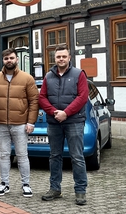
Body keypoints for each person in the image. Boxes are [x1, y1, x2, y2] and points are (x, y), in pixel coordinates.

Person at [39, 44, 89, 206]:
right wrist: (54, 112)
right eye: (58, 57)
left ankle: (80, 191)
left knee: (77, 157)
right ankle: (55, 189)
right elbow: (42, 98)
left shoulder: (78, 74)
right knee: (54, 156)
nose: (61, 59)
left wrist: (66, 113)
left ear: (69, 58)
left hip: (74, 121)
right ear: (55, 58)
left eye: (64, 56)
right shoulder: (48, 76)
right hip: (54, 122)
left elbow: (82, 97)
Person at [0, 48, 39, 198]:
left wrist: (31, 122)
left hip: (21, 124)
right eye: (6, 59)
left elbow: (34, 101)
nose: (9, 61)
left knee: (22, 155)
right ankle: (4, 184)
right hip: (0, 124)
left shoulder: (27, 78)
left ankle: (26, 184)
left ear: (17, 59)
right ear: (2, 61)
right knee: (3, 155)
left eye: (11, 58)